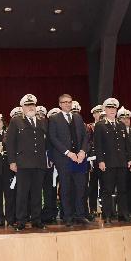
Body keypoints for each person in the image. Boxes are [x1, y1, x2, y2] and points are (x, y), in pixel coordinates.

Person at [6, 94, 48, 231]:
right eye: (27, 105)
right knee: (22, 194)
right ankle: (21, 220)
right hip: (23, 164)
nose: (30, 107)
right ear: (22, 107)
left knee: (37, 193)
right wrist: (12, 161)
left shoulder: (42, 121)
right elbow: (10, 143)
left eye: (32, 105)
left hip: (39, 163)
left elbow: (46, 143)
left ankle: (36, 219)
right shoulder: (16, 121)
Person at [49, 94, 90, 227]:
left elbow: (85, 136)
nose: (67, 104)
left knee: (80, 188)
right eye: (64, 102)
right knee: (66, 188)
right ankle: (68, 216)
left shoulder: (77, 117)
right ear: (60, 104)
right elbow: (53, 138)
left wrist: (83, 151)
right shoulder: (54, 118)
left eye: (69, 102)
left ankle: (80, 215)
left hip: (79, 159)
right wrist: (68, 153)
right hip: (64, 159)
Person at [93, 98, 131, 224]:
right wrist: (100, 160)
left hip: (121, 162)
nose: (112, 110)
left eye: (114, 108)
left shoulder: (121, 125)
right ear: (105, 110)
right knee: (107, 190)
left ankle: (123, 214)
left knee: (122, 190)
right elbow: (98, 145)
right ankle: (107, 215)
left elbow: (126, 145)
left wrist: (130, 159)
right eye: (109, 108)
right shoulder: (100, 125)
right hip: (108, 163)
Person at [86, 105, 103, 218]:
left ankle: (106, 207)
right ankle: (92, 208)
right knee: (92, 184)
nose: (99, 115)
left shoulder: (106, 125)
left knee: (105, 184)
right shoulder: (90, 127)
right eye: (97, 113)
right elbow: (88, 142)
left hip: (105, 159)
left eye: (101, 112)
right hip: (93, 159)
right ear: (94, 115)